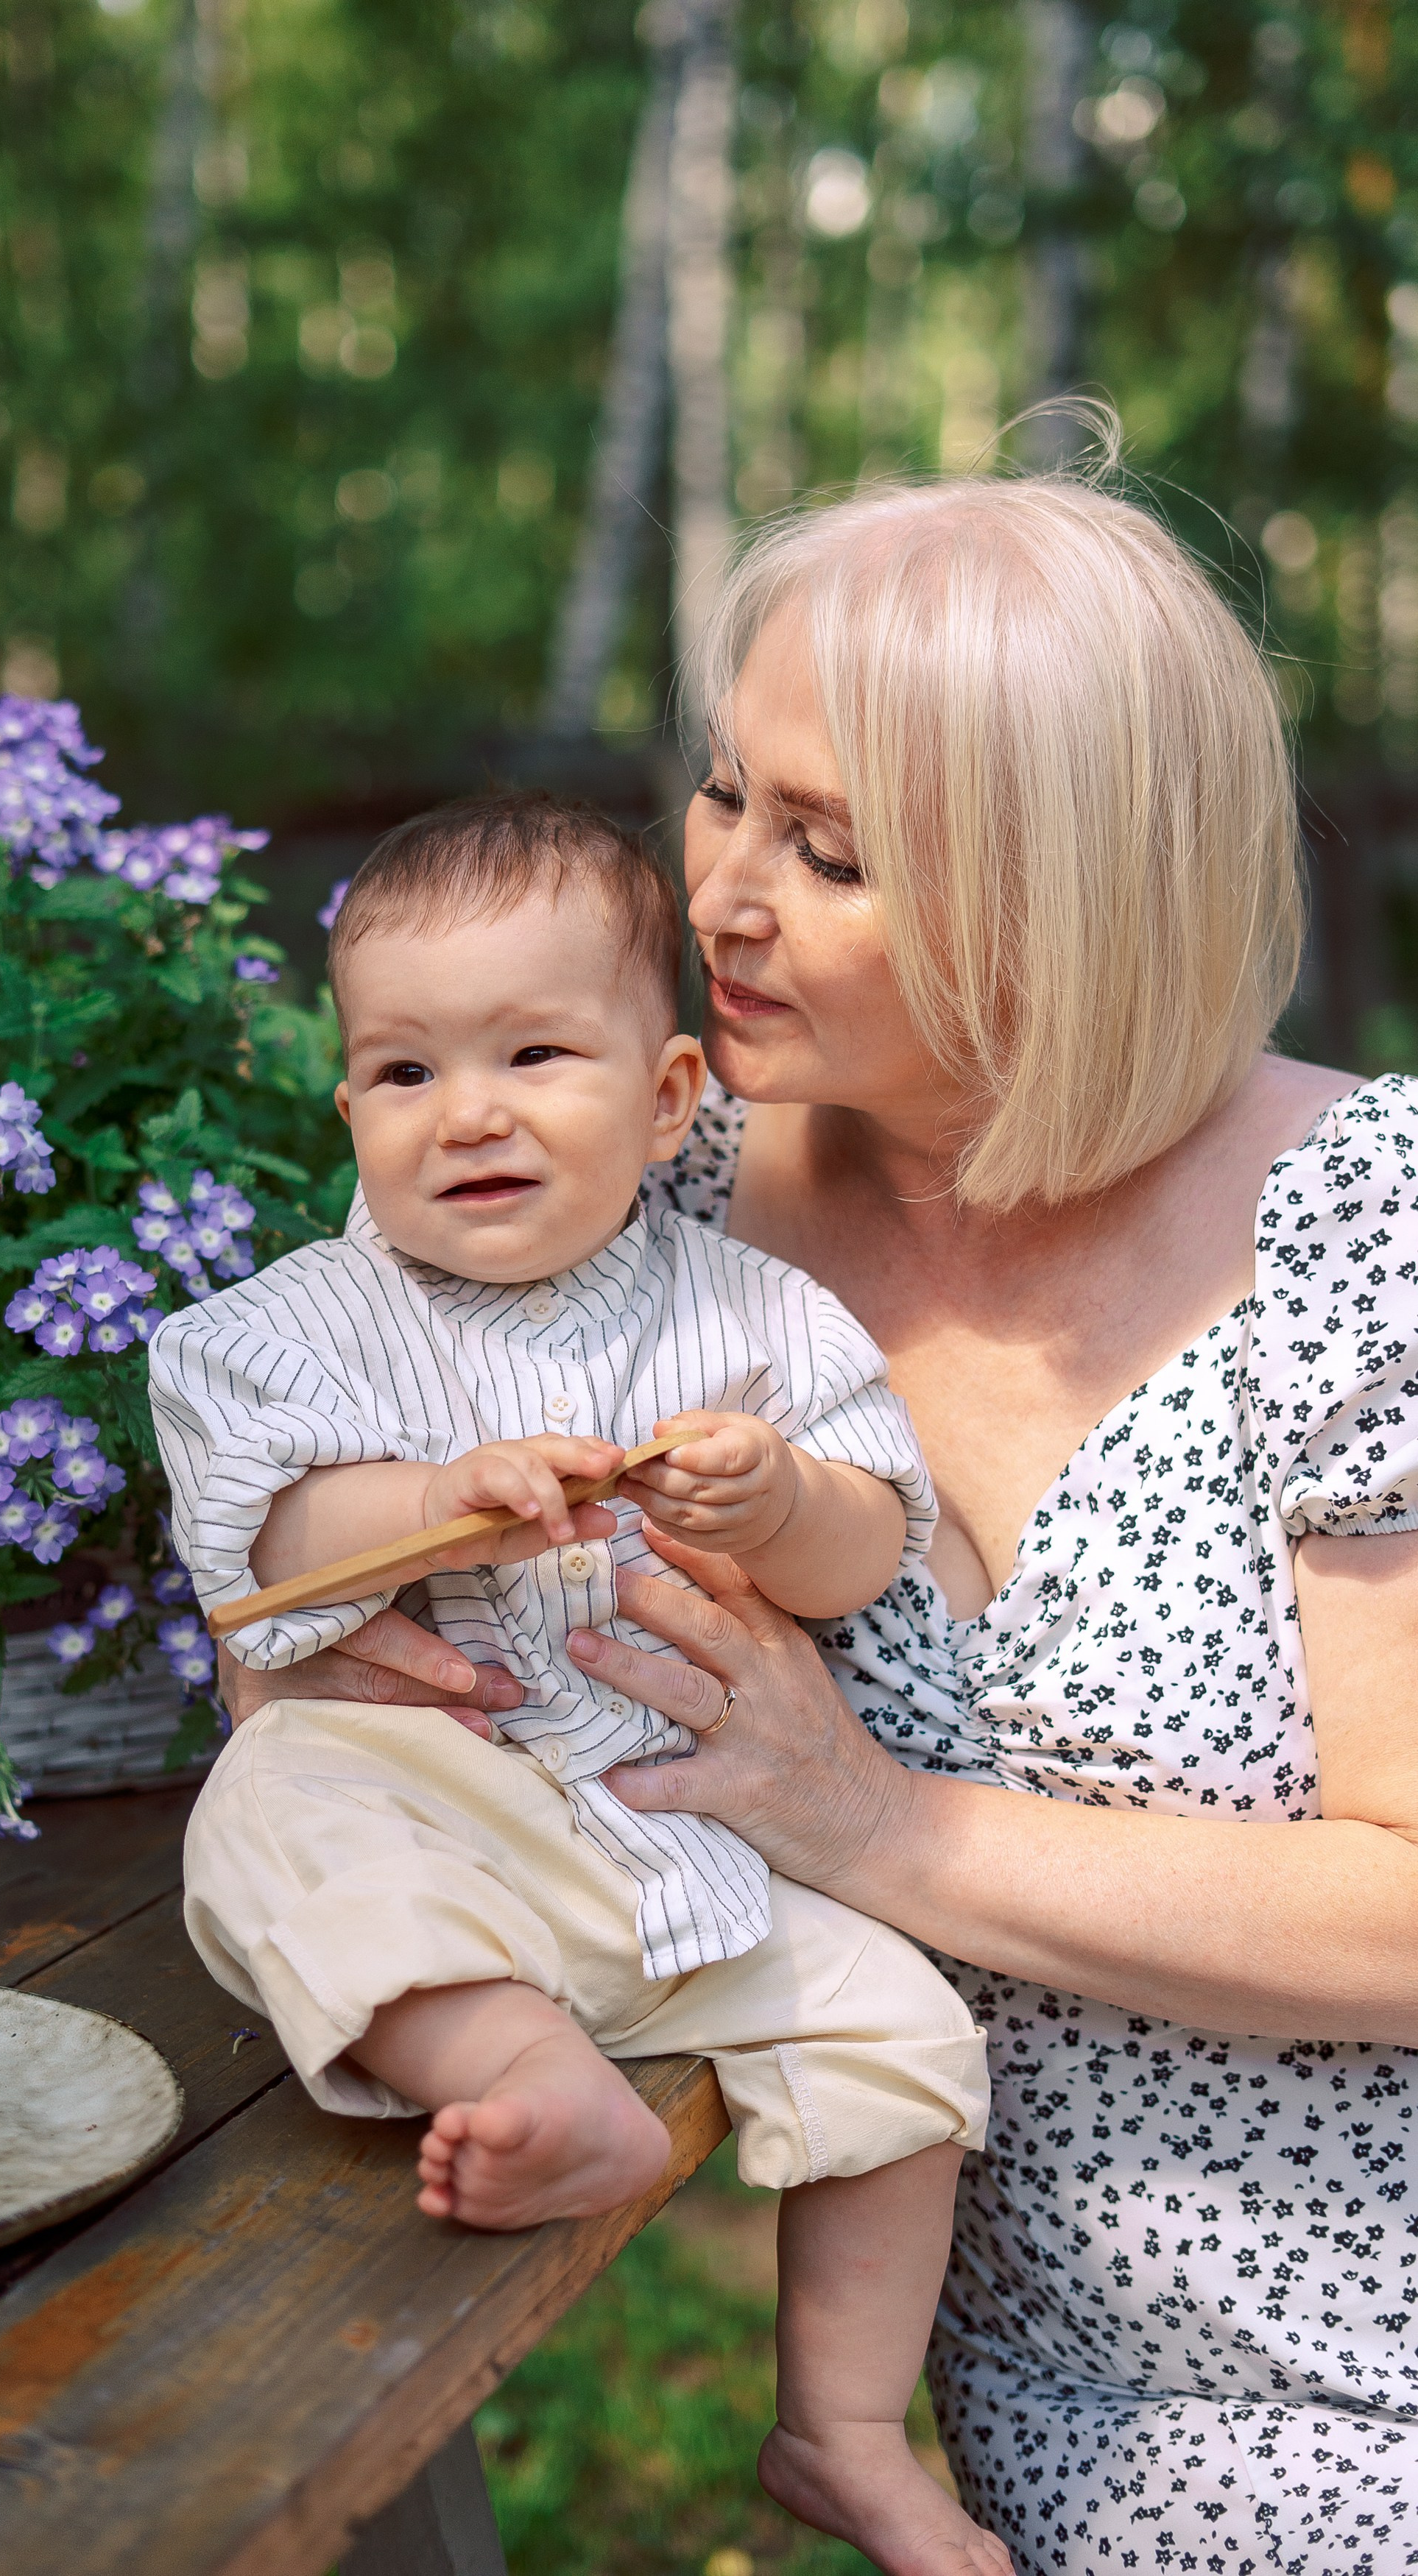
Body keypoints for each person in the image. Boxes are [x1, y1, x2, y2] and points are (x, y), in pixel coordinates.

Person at [217, 469, 1418, 2576]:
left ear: (1072, 892)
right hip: (1011, 2408)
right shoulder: (622, 1164)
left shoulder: (1361, 1230)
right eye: (718, 799)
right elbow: (302, 1526)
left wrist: (867, 1822)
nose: (723, 897)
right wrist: (310, 1622)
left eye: (829, 849)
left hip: (1357, 2390)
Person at [152, 793, 1014, 2576]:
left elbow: (874, 1543)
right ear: (352, 1114)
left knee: (912, 2037)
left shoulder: (756, 1319)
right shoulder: (296, 1325)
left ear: (673, 1095)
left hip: (695, 1846)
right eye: (403, 1074)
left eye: (533, 1053)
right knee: (277, 1813)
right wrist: (421, 1506)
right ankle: (537, 2084)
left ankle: (847, 2429)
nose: (466, 1112)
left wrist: (782, 1503)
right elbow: (268, 1539)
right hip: (448, 1807)